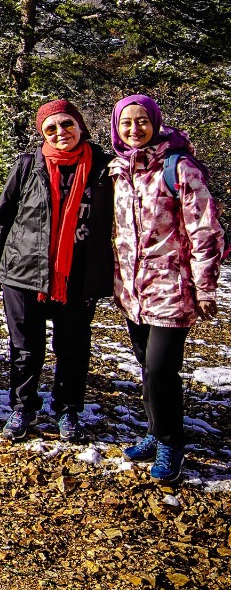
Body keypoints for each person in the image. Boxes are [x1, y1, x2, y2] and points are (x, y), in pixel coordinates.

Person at [0, 100, 114, 443]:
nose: (60, 132)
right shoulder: (29, 165)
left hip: (77, 274)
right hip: (23, 271)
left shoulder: (103, 168)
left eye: (67, 124)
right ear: (42, 133)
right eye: (50, 128)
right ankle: (23, 406)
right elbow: (0, 215)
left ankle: (68, 408)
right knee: (25, 346)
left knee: (73, 345)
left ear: (81, 126)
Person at [109, 95, 224, 481]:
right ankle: (155, 431)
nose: (134, 129)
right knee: (146, 367)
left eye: (142, 121)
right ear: (116, 128)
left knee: (160, 369)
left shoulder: (179, 167)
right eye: (126, 123)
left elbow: (205, 230)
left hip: (172, 288)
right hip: (133, 290)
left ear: (155, 122)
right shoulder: (119, 169)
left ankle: (171, 443)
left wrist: (204, 287)